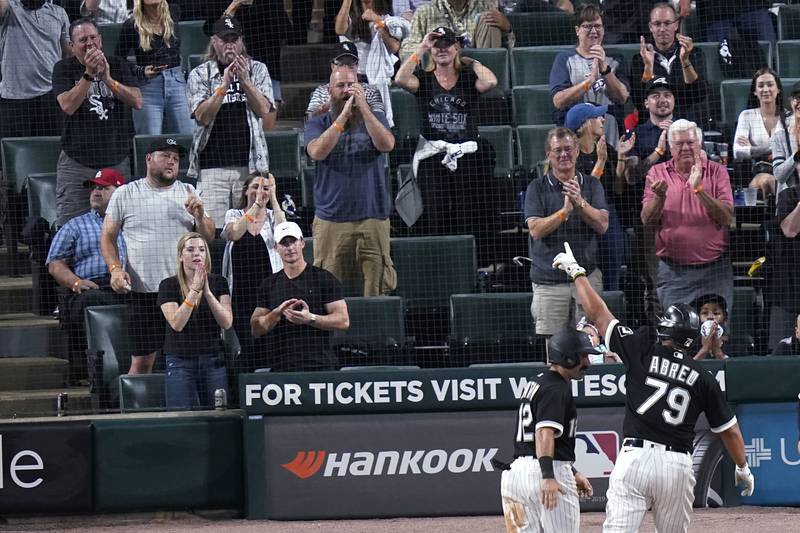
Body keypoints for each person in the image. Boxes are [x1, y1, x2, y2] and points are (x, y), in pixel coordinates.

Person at [551, 241, 755, 533]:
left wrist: (576, 273)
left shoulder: (640, 350)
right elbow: (730, 431)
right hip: (676, 465)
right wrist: (742, 467)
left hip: (635, 458)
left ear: (666, 331)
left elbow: (598, 313)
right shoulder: (703, 377)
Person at [101, 138, 215, 375]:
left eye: (175, 158)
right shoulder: (125, 193)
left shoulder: (189, 192)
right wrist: (115, 269)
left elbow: (209, 236)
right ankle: (137, 412)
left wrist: (201, 215)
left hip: (182, 291)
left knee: (187, 361)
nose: (172, 162)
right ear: (148, 158)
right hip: (143, 294)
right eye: (165, 156)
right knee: (142, 363)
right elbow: (107, 237)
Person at [394, 27, 499, 265]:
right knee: (435, 213)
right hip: (434, 156)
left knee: (467, 213)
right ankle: (438, 264)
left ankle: (471, 265)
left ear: (456, 48)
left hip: (466, 158)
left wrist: (470, 61)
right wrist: (421, 47)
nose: (442, 49)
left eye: (447, 44)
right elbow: (400, 79)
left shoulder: (469, 78)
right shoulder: (423, 79)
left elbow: (491, 81)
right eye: (437, 45)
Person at [305, 67, 397, 296]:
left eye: (351, 85)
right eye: (340, 86)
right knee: (330, 291)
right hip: (332, 220)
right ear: (330, 90)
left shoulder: (375, 118)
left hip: (372, 218)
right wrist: (342, 118)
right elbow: (316, 152)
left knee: (375, 290)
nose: (347, 91)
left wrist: (364, 109)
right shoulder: (319, 121)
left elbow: (387, 145)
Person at [499, 326, 596, 533]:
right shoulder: (557, 388)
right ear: (568, 358)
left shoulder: (537, 381)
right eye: (583, 356)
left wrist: (572, 471)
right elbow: (544, 433)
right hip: (547, 471)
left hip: (515, 475)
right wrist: (548, 476)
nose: (587, 363)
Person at [523, 126, 608, 355]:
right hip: (549, 282)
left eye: (568, 149)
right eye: (557, 150)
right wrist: (563, 212)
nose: (563, 155)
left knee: (591, 345)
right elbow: (535, 230)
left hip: (587, 279)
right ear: (548, 154)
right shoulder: (536, 188)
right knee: (556, 352)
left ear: (578, 151)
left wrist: (580, 203)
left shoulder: (591, 185)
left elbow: (602, 224)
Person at [187, 15, 276, 229]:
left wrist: (244, 81)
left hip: (250, 166)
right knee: (214, 231)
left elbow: (264, 110)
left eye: (234, 39)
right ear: (214, 42)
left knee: (251, 229)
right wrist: (223, 85)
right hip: (211, 167)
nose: (230, 45)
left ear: (241, 41)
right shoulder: (200, 74)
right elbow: (202, 116)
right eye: (224, 40)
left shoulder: (258, 70)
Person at [52, 17, 143, 227]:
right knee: (69, 228)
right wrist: (89, 75)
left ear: (101, 40)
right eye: (83, 40)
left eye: (93, 37)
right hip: (77, 163)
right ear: (72, 46)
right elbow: (67, 105)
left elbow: (137, 101)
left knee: (119, 227)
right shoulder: (63, 69)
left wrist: (108, 79)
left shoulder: (118, 64)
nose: (90, 43)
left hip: (115, 160)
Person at [641, 119, 734, 313]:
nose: (685, 148)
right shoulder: (657, 172)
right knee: (676, 338)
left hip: (715, 272)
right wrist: (659, 197)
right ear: (670, 148)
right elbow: (647, 221)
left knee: (715, 334)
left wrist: (699, 190)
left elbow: (726, 218)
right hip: (674, 274)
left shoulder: (718, 172)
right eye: (678, 144)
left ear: (699, 144)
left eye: (690, 143)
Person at [45, 169, 127, 385]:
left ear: (121, 192)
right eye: (94, 187)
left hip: (132, 287)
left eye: (104, 187)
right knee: (88, 300)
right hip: (95, 286)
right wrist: (76, 282)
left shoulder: (134, 222)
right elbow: (55, 264)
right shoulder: (76, 225)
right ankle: (89, 369)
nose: (96, 192)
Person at [250, 222, 350, 372]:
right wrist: (276, 314)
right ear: (275, 248)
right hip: (281, 368)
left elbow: (343, 320)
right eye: (284, 243)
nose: (290, 247)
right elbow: (255, 328)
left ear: (302, 243)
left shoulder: (324, 279)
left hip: (320, 366)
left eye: (293, 241)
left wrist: (310, 318)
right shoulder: (268, 284)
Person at [158, 232, 232, 410]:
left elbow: (227, 322)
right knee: (180, 417)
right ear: (180, 256)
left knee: (219, 414)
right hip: (180, 362)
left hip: (213, 360)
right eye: (190, 250)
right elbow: (177, 323)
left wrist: (207, 293)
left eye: (201, 250)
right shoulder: (168, 285)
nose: (196, 254)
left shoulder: (219, 282)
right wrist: (194, 290)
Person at [221, 172, 285, 372]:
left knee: (270, 345)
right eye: (255, 186)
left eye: (265, 187)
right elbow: (233, 233)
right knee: (247, 347)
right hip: (241, 294)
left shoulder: (275, 215)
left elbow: (284, 233)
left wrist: (273, 199)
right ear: (246, 190)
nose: (260, 191)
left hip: (269, 294)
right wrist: (256, 206)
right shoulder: (234, 214)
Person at [549, 5, 630, 147]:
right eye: (587, 26)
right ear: (577, 30)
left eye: (598, 26)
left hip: (611, 134)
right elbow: (558, 100)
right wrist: (589, 82)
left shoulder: (616, 59)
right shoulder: (565, 59)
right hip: (576, 137)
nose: (593, 31)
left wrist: (604, 69)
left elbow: (622, 97)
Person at [565, 102, 623, 292]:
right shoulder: (569, 158)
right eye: (597, 116)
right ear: (585, 123)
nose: (602, 119)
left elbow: (618, 189)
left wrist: (621, 159)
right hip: (581, 219)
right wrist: (600, 162)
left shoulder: (607, 149)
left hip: (608, 215)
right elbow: (582, 194)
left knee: (612, 270)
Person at [114, 0, 194, 135]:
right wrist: (140, 71)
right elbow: (117, 60)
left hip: (177, 83)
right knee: (149, 141)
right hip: (148, 86)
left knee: (187, 137)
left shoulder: (174, 13)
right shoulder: (132, 25)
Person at [0, 0, 70, 142]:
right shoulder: (9, 9)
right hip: (14, 100)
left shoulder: (58, 12)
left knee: (52, 152)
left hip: (51, 96)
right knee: (14, 158)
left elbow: (68, 53)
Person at [334, 0, 409, 126]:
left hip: (377, 78)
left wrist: (377, 21)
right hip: (355, 77)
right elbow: (340, 30)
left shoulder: (387, 19)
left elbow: (394, 48)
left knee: (376, 122)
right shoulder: (350, 17)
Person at [630, 2, 706, 124]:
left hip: (686, 123)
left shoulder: (694, 53)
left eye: (667, 23)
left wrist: (685, 60)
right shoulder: (639, 59)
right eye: (657, 24)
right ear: (650, 27)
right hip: (653, 126)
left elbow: (699, 94)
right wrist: (648, 67)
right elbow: (639, 101)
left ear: (676, 25)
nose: (662, 29)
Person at [400, 0, 511, 60]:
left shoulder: (486, 7)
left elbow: (507, 50)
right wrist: (431, 48)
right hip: (439, 73)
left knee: (490, 19)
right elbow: (406, 50)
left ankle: (486, 89)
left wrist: (507, 29)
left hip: (477, 72)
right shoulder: (425, 12)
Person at [734, 67, 785, 197]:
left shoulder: (789, 118)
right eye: (761, 86)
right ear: (755, 91)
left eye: (770, 85)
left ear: (778, 89)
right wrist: (775, 147)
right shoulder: (747, 116)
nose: (766, 90)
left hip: (786, 173)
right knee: (764, 180)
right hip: (757, 173)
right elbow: (738, 151)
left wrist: (752, 149)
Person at [306, 42, 386, 120]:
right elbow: (309, 119)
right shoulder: (321, 91)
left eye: (350, 64)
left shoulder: (371, 91)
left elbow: (380, 119)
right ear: (332, 66)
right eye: (340, 64)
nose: (345, 68)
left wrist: (363, 105)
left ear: (357, 66)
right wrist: (327, 106)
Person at [770, 81, 800, 200]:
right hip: (790, 201)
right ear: (791, 101)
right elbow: (779, 175)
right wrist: (796, 156)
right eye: (797, 98)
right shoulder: (780, 136)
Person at [692, 293, 729, 360]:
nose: (710, 317)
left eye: (716, 313)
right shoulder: (690, 346)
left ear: (725, 318)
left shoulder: (734, 347)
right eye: (705, 313)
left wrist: (716, 350)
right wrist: (705, 349)